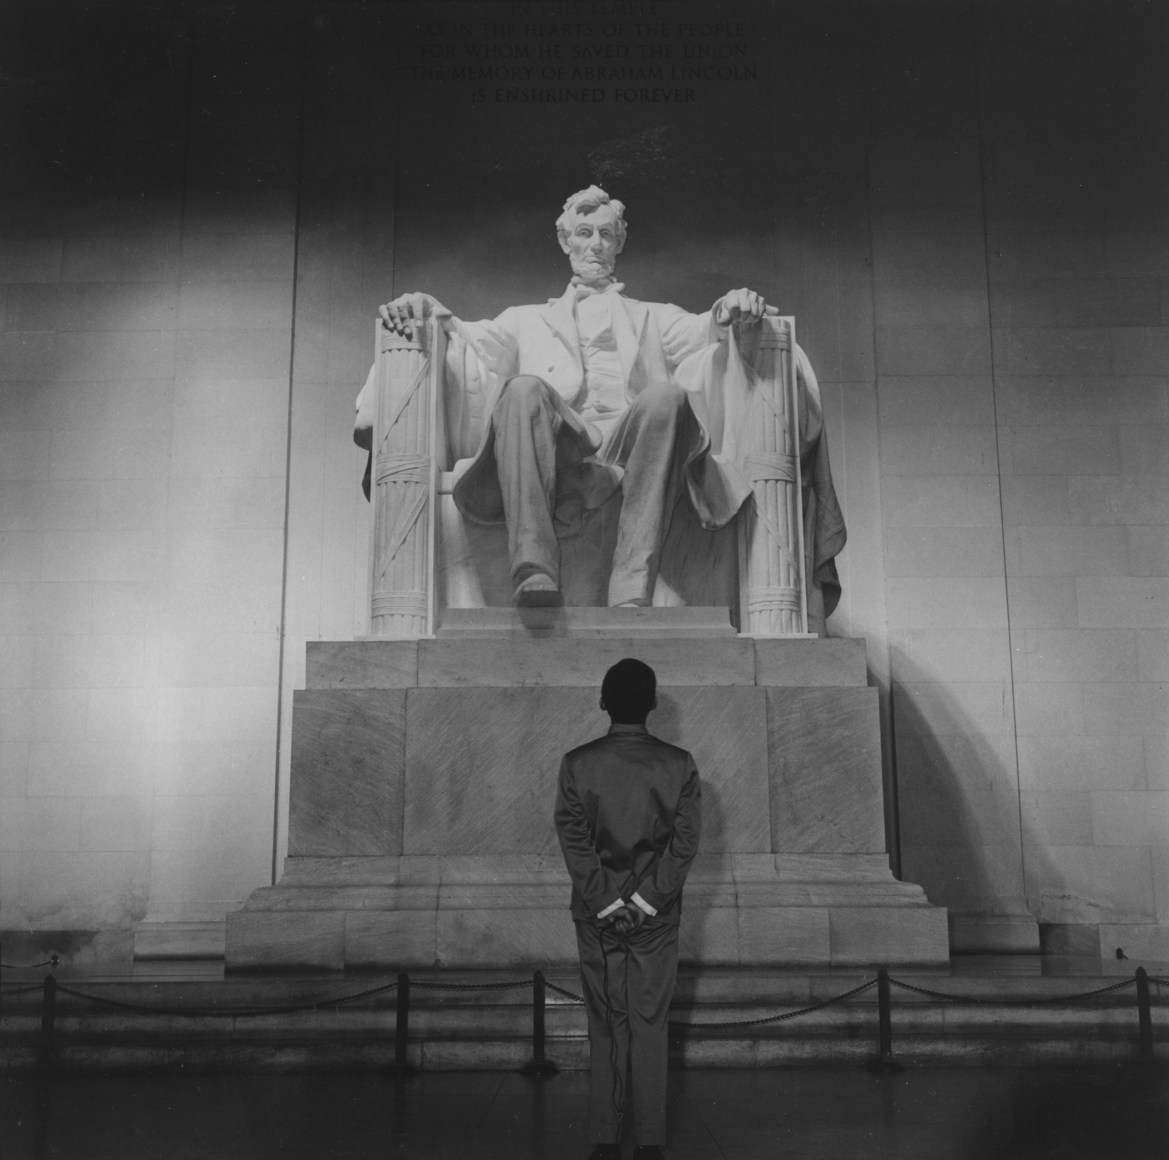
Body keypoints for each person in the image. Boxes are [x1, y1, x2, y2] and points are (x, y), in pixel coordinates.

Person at [372, 185, 778, 609]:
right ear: (566, 242)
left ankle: (632, 584)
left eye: (606, 234)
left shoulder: (654, 316)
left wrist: (729, 306)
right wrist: (426, 307)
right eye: (584, 233)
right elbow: (468, 335)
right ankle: (534, 569)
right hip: (557, 440)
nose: (595, 244)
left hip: (633, 442)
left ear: (619, 242)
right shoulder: (525, 319)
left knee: (667, 397)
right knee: (522, 388)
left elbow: (704, 330)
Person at [553, 659, 702, 1160]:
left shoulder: (577, 764)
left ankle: (604, 1136)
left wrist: (609, 902)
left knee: (606, 1023)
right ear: (654, 703)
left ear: (602, 701)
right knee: (650, 1023)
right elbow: (683, 848)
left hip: (597, 916)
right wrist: (643, 902)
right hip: (656, 917)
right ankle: (651, 1140)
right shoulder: (679, 765)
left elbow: (575, 844)